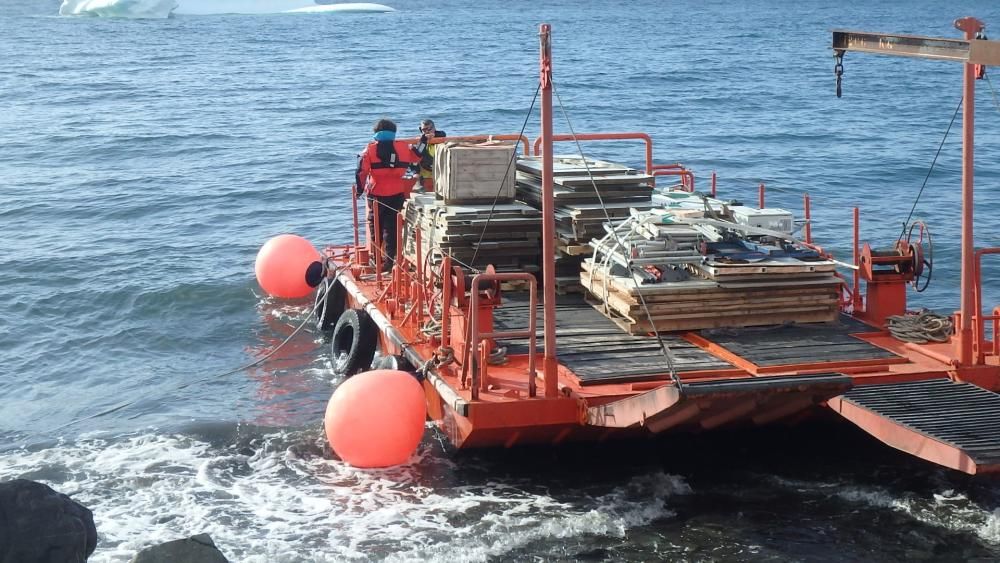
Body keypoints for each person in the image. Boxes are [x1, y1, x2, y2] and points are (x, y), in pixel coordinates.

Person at [355, 118, 420, 272]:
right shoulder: (403, 147)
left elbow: (361, 172)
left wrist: (359, 190)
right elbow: (417, 156)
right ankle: (390, 262)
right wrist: (423, 139)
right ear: (393, 133)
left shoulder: (369, 150)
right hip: (397, 192)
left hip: (376, 193)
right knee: (392, 228)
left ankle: (377, 260)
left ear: (376, 133)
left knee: (375, 226)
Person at [411, 119, 447, 192]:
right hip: (424, 172)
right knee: (413, 150)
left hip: (438, 170)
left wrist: (434, 136)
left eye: (429, 129)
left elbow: (443, 134)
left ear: (434, 128)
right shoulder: (420, 140)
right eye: (423, 130)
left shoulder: (440, 137)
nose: (426, 132)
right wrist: (423, 140)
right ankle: (417, 178)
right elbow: (418, 154)